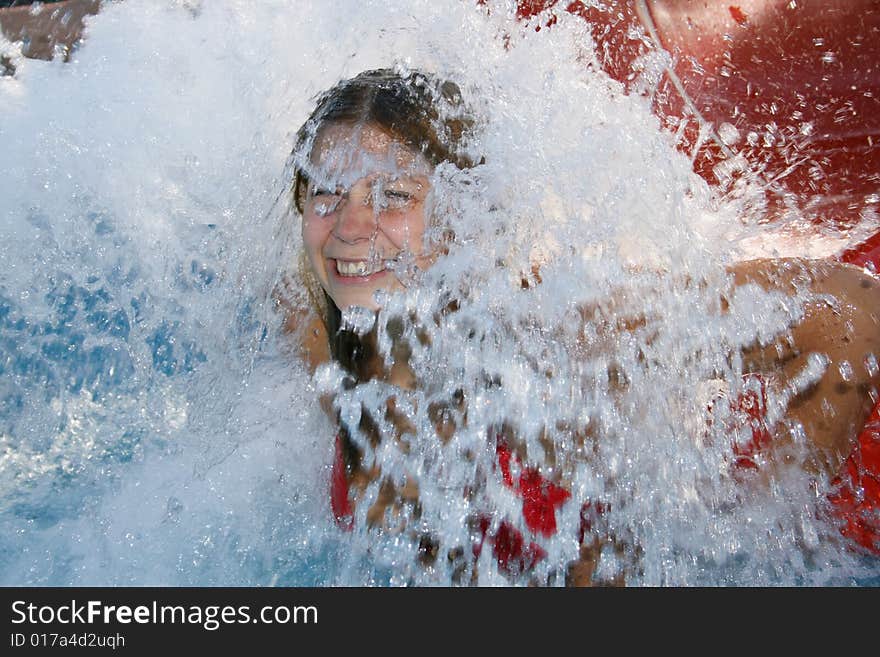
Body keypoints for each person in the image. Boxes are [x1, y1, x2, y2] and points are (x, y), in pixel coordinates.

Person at [282, 68, 880, 584]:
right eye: (328, 195)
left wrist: (753, 537)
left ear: (463, 218)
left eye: (394, 195)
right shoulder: (339, 339)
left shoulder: (546, 347)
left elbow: (852, 314)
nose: (351, 228)